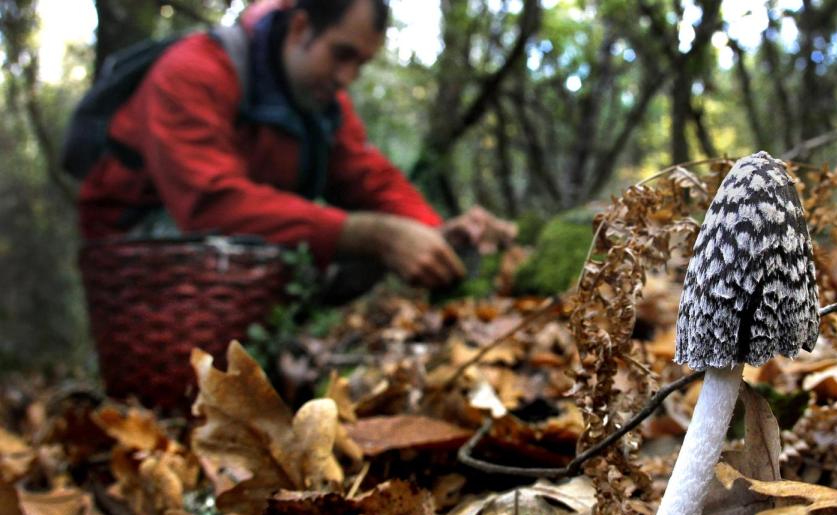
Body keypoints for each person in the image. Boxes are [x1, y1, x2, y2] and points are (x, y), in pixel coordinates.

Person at [77, 0, 515, 294]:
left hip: (238, 260)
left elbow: (367, 176)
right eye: (341, 54)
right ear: (301, 26)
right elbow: (211, 204)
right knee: (349, 248)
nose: (347, 77)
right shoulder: (193, 72)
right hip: (139, 264)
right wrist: (369, 235)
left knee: (359, 250)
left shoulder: (322, 102)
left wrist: (436, 232)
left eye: (360, 64)